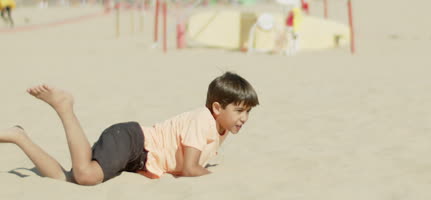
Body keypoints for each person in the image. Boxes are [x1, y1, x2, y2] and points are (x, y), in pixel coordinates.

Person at [0, 72, 259, 185]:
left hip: (138, 157)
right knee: (86, 176)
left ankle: (19, 137)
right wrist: (217, 179)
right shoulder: (204, 120)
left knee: (66, 179)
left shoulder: (219, 128)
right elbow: (190, 168)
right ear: (216, 108)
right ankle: (64, 108)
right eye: (239, 111)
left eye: (248, 111)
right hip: (133, 141)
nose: (244, 118)